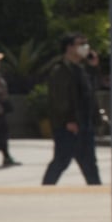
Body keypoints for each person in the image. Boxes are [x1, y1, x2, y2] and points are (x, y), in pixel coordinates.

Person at [42, 33, 102, 185]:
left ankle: (96, 189)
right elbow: (59, 98)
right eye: (80, 44)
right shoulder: (60, 70)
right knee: (62, 160)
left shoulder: (80, 69)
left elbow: (90, 92)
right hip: (69, 126)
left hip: (84, 123)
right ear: (69, 48)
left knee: (89, 162)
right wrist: (68, 120)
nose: (85, 47)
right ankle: (46, 188)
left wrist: (93, 67)